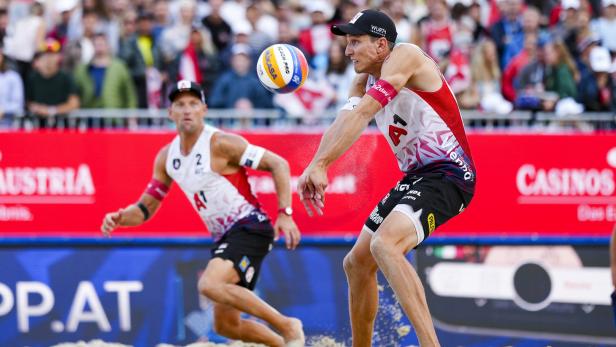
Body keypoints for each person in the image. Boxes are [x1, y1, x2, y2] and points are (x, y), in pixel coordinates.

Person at [297, 9, 476, 346]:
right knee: (356, 263)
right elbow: (341, 125)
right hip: (416, 176)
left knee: (385, 245)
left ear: (381, 44)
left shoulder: (405, 55)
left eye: (355, 42)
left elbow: (365, 111)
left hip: (450, 173)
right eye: (347, 43)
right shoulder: (361, 80)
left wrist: (322, 165)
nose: (348, 51)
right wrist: (315, 164)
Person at [101, 80, 305, 347]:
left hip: (249, 226)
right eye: (180, 104)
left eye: (193, 104)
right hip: (225, 237)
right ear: (170, 113)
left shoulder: (220, 142)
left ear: (204, 109)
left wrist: (285, 213)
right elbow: (145, 209)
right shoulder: (167, 157)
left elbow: (278, 163)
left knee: (209, 285)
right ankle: (285, 345)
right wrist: (121, 217)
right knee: (226, 325)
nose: (187, 110)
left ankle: (288, 326)